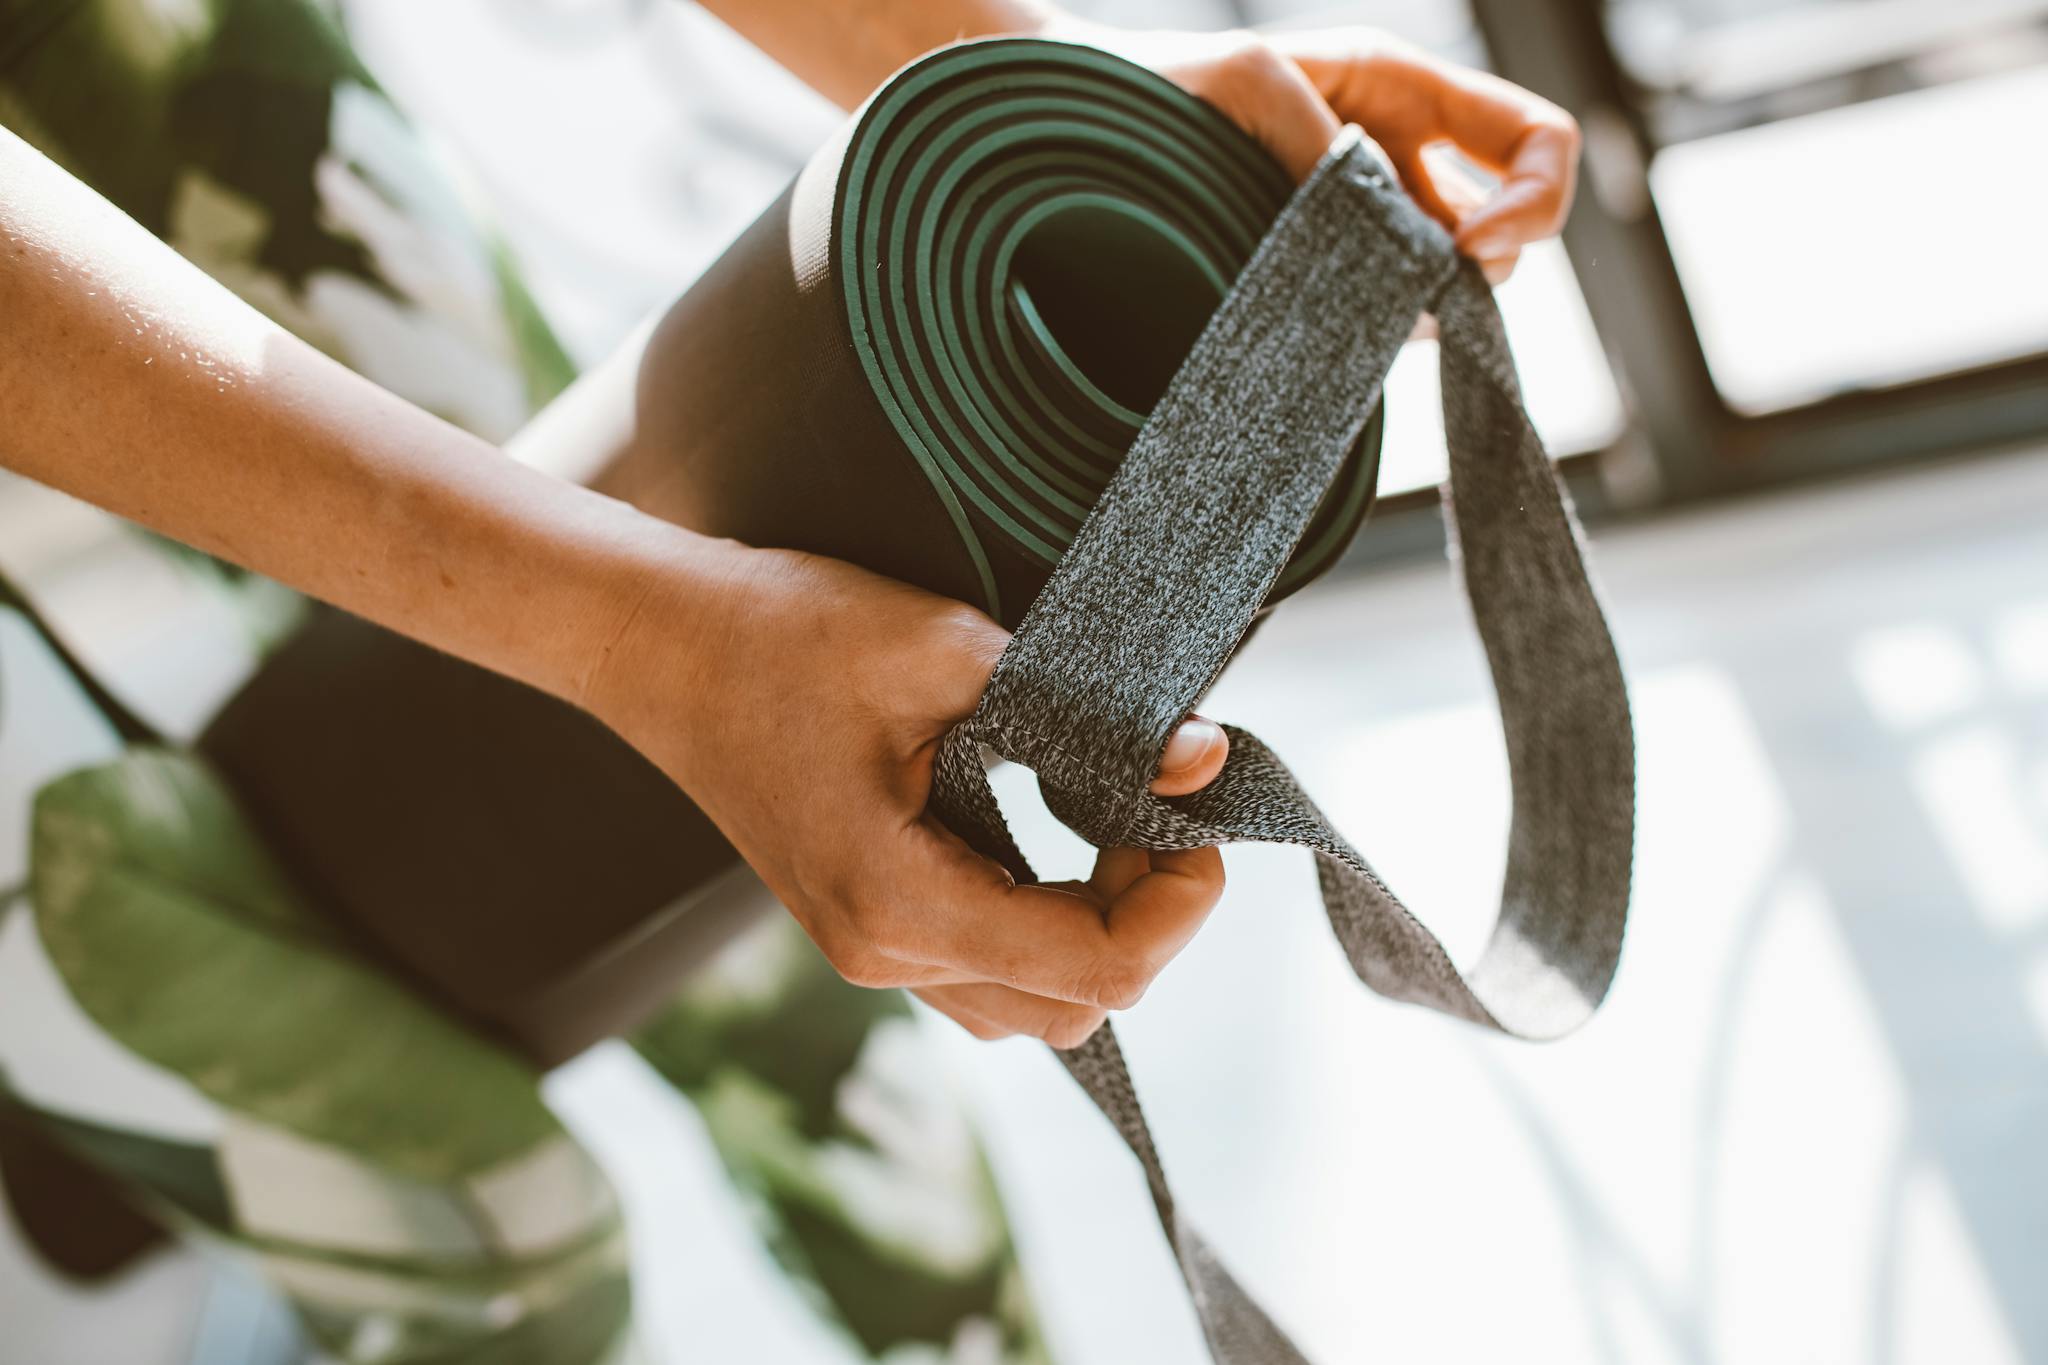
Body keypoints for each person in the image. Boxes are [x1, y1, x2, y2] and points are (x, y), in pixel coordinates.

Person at [0, 1, 1577, 1359]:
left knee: (813, 1028)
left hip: (209, 114)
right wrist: (644, 638)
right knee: (493, 1254)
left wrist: (1056, 96)